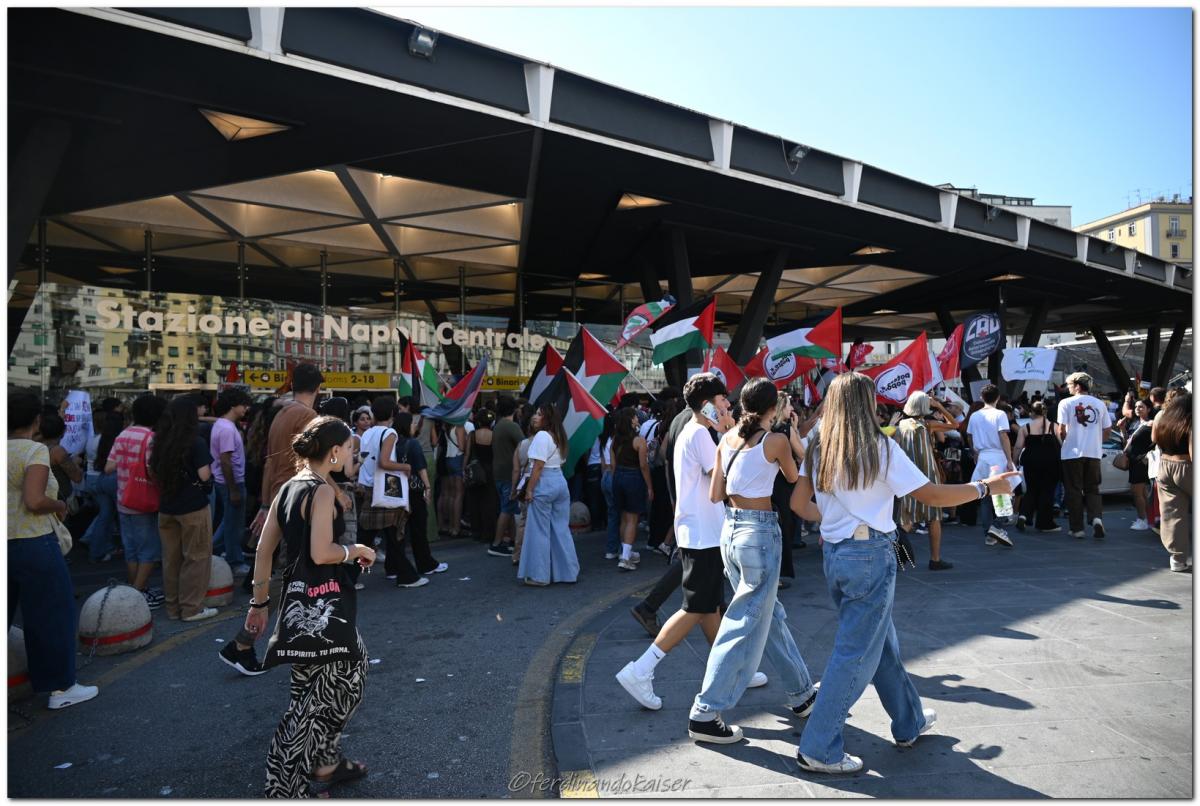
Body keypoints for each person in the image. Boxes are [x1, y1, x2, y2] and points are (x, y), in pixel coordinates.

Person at [791, 372, 1018, 774]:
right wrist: (986, 487)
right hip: (871, 554)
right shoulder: (879, 447)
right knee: (856, 653)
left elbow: (797, 503)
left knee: (881, 643)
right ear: (867, 403)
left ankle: (908, 721)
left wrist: (832, 523)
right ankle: (820, 746)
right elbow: (930, 495)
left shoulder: (818, 444)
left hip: (838, 555)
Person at [617, 374, 771, 712]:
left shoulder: (695, 431)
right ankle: (642, 668)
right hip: (702, 534)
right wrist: (733, 432)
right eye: (721, 402)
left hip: (702, 532)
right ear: (707, 405)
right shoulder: (700, 433)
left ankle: (735, 670)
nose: (728, 406)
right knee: (697, 608)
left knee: (710, 608)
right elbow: (726, 475)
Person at [246, 416, 377, 798]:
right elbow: (322, 553)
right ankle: (283, 784)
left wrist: (259, 603)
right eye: (351, 450)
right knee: (336, 687)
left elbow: (263, 550)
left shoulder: (289, 487)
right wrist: (357, 551)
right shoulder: (320, 492)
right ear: (334, 452)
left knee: (309, 688)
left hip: (295, 602)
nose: (354, 456)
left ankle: (326, 765)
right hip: (325, 605)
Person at [684, 378, 818, 743]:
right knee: (744, 622)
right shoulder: (774, 441)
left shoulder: (725, 440)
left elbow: (717, 494)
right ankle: (706, 711)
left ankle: (803, 694)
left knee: (769, 615)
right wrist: (791, 438)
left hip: (731, 532)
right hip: (759, 534)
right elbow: (796, 477)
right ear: (773, 408)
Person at [8, 391, 101, 710]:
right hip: (33, 540)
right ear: (35, 421)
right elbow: (35, 501)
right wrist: (59, 504)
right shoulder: (33, 450)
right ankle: (61, 687)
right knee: (52, 615)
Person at [149, 396, 218, 623]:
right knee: (196, 557)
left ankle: (172, 608)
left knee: (171, 559)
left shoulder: (159, 441)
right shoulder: (195, 442)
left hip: (166, 507)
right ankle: (191, 609)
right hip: (193, 507)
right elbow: (204, 475)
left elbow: (152, 472)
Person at [250, 363, 324, 542]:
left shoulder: (281, 413)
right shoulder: (308, 416)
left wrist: (266, 504)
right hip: (298, 495)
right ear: (318, 388)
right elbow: (313, 464)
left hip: (279, 492)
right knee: (296, 558)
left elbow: (270, 462)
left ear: (292, 385)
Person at [107, 393, 168, 609]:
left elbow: (109, 467)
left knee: (131, 549)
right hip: (144, 502)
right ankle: (137, 594)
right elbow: (152, 471)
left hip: (124, 499)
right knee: (148, 550)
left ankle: (137, 587)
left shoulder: (123, 434)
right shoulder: (151, 438)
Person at [358, 396, 425, 589]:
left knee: (367, 538)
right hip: (386, 489)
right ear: (392, 414)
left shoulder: (368, 433)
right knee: (394, 534)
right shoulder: (390, 433)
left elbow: (367, 460)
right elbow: (384, 462)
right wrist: (405, 466)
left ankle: (349, 577)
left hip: (369, 487)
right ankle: (405, 575)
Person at [893, 391, 959, 570]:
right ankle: (935, 559)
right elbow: (955, 424)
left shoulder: (901, 426)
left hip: (907, 476)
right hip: (928, 475)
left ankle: (897, 557)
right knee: (933, 517)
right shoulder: (928, 424)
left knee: (906, 517)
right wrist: (939, 406)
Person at [516, 403, 579, 586]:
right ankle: (568, 573)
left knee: (539, 532)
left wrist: (529, 490)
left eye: (538, 414)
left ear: (547, 418)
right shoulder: (559, 436)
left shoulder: (541, 436)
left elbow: (538, 466)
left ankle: (540, 576)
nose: (534, 417)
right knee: (561, 529)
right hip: (560, 482)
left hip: (544, 483)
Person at [1056, 372, 1113, 539]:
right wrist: (1096, 442)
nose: (1068, 388)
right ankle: (1096, 518)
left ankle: (1077, 528)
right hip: (1093, 453)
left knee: (1073, 490)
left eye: (1070, 385)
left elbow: (1061, 430)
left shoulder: (1065, 403)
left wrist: (1065, 442)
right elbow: (1108, 430)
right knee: (1093, 488)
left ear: (1078, 386)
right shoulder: (1100, 404)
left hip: (1071, 453)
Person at [965, 385, 1016, 548]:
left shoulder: (974, 415)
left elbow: (969, 436)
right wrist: (1009, 459)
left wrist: (975, 453)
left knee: (986, 496)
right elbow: (1003, 436)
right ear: (998, 397)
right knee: (1004, 493)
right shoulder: (1000, 414)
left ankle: (989, 532)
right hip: (997, 456)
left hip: (982, 457)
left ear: (982, 397)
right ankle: (997, 526)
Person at [211, 389, 253, 575]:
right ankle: (234, 560)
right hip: (232, 482)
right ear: (233, 406)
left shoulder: (221, 425)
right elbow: (225, 460)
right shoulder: (228, 429)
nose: (246, 408)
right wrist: (234, 489)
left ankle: (211, 551)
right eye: (243, 404)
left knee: (228, 521)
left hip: (226, 482)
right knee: (233, 525)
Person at [1152, 392, 1191, 572]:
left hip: (1166, 465)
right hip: (1187, 466)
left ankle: (1177, 558)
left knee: (1173, 514)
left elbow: (1153, 439)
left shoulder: (1165, 419)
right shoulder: (1191, 421)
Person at [611, 406, 652, 571]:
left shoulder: (615, 440)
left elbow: (613, 465)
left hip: (618, 477)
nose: (637, 419)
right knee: (633, 518)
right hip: (634, 477)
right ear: (630, 420)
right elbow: (643, 465)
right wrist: (649, 486)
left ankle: (625, 551)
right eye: (635, 416)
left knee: (623, 517)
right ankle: (625, 557)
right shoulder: (639, 440)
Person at [82, 410, 125, 563]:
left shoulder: (94, 439)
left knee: (104, 515)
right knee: (113, 517)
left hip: (95, 478)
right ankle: (100, 548)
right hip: (108, 478)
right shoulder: (114, 440)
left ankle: (96, 547)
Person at [1016, 400, 1061, 532]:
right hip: (1051, 462)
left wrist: (1013, 461)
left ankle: (1024, 515)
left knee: (1031, 490)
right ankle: (1044, 522)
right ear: (1045, 412)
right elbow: (1061, 443)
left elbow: (1018, 446)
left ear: (1032, 412)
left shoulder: (1025, 428)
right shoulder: (1054, 426)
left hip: (1031, 461)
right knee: (1047, 491)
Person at [490, 396, 522, 558]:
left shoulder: (498, 425)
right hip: (509, 473)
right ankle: (496, 544)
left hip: (499, 472)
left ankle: (512, 541)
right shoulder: (512, 426)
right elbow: (525, 445)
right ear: (514, 410)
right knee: (507, 508)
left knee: (509, 508)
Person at [468, 409, 501, 549]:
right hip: (490, 470)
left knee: (475, 501)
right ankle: (489, 533)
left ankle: (477, 531)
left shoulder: (472, 435)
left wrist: (465, 468)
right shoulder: (494, 435)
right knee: (490, 502)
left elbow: (467, 454)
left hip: (476, 470)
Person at [1122, 398, 1156, 531]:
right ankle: (1148, 519)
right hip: (1133, 460)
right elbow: (1127, 442)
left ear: (1148, 409)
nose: (1137, 409)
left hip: (1141, 461)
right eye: (1136, 406)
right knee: (1141, 492)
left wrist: (1147, 455)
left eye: (1141, 407)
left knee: (1137, 492)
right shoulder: (1135, 423)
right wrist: (1122, 430)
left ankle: (1142, 519)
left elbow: (1156, 441)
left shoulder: (1151, 423)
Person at [437, 418, 470, 538]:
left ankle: (450, 525)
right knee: (458, 495)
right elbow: (462, 447)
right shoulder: (459, 427)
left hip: (448, 459)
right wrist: (467, 439)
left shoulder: (447, 426)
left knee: (450, 494)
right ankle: (456, 528)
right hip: (457, 458)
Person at [599, 411, 621, 560]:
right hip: (613, 474)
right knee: (619, 514)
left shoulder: (603, 439)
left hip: (605, 476)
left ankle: (611, 548)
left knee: (612, 514)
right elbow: (614, 463)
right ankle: (617, 548)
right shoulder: (615, 440)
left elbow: (602, 463)